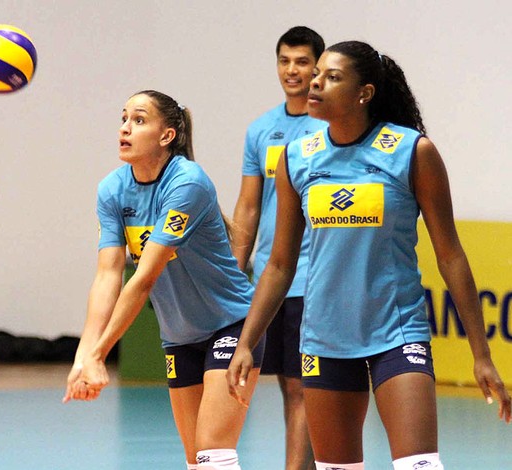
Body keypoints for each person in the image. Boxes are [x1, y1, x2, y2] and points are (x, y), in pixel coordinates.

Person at [226, 41, 511, 470]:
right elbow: (281, 264)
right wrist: (246, 342)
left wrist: (481, 354)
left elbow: (450, 256)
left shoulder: (412, 151)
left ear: (365, 93)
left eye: (332, 76)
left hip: (396, 332)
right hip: (323, 336)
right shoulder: (297, 158)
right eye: (317, 73)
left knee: (420, 465)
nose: (315, 82)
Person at [63, 90, 265, 470]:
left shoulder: (187, 183)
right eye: (123, 118)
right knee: (195, 460)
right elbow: (108, 274)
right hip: (179, 335)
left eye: (138, 120)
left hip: (233, 325)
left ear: (167, 135)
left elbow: (143, 279)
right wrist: (83, 354)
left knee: (213, 453)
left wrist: (98, 354)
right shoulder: (112, 190)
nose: (125, 128)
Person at [231, 26, 325, 470]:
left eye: (302, 62)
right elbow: (248, 207)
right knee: (255, 379)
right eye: (285, 61)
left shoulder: (329, 126)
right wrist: (235, 269)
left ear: (318, 69)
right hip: (270, 277)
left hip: (313, 275)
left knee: (301, 385)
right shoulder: (261, 130)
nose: (292, 70)